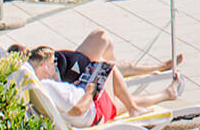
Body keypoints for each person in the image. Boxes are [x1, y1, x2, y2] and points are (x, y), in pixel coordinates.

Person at [11, 31, 182, 116]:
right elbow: (76, 108)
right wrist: (90, 91)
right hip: (85, 88)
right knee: (112, 70)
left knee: (102, 38)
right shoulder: (48, 82)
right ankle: (164, 94)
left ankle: (158, 68)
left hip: (79, 65)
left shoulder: (35, 71)